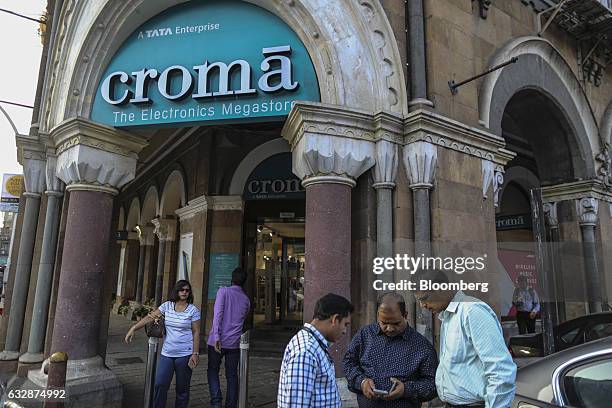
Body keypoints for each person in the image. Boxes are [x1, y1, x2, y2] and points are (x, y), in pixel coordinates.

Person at [415, 271, 516, 408]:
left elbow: (501, 370)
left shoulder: (472, 311)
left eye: (424, 298)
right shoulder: (448, 316)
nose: (423, 305)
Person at [343, 292, 438, 407]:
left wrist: (405, 389)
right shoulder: (365, 335)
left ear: (405, 315)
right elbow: (348, 362)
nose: (390, 328)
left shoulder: (422, 346)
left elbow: (433, 384)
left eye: (396, 323)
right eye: (384, 323)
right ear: (378, 315)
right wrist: (362, 382)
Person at [125, 279, 201, 408]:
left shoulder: (193, 310)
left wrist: (195, 353)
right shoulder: (167, 306)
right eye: (182, 289)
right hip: (167, 353)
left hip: (185, 354)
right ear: (176, 291)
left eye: (187, 290)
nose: (184, 292)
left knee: (182, 390)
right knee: (160, 384)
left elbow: (196, 332)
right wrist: (133, 328)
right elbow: (150, 317)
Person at [277, 293, 353, 407]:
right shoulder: (306, 352)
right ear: (335, 319)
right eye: (345, 324)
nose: (344, 331)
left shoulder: (314, 345)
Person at [207, 267, 251, 408]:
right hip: (235, 342)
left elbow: (218, 315)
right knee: (232, 375)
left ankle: (216, 401)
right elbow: (243, 319)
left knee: (213, 370)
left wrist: (216, 337)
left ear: (231, 279)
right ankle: (231, 405)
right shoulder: (246, 300)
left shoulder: (223, 291)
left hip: (217, 341)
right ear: (244, 282)